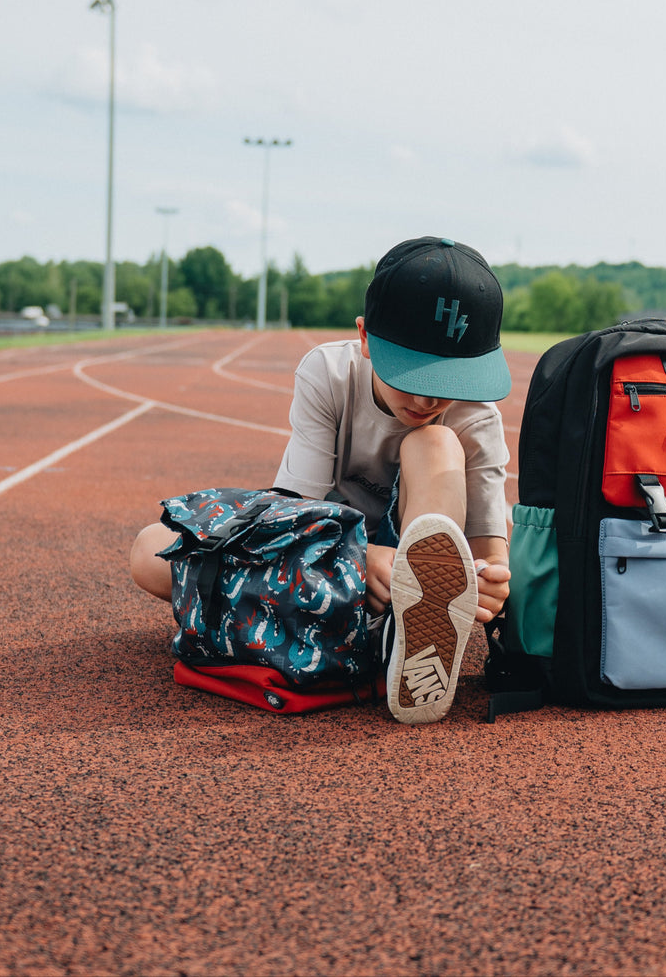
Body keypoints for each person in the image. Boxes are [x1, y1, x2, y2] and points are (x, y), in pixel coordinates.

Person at [130, 235, 512, 725]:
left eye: (450, 381)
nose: (426, 400)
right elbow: (294, 516)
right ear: (365, 337)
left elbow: (488, 555)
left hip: (410, 574)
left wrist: (489, 584)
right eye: (413, 374)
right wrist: (361, 559)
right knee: (150, 549)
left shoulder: (476, 416)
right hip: (325, 559)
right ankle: (372, 632)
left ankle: (408, 634)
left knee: (435, 441)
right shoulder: (329, 374)